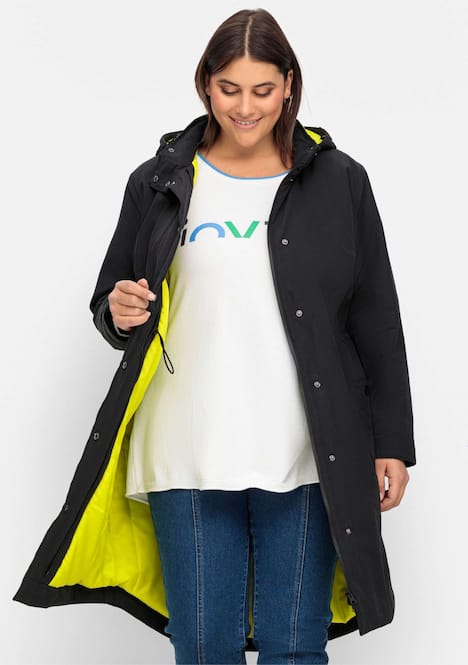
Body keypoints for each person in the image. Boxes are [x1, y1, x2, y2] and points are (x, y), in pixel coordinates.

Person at [13, 8, 416, 665]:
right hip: (186, 449)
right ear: (205, 83)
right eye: (229, 89)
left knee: (295, 647)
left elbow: (376, 317)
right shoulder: (159, 180)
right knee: (204, 647)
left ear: (289, 85)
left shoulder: (340, 181)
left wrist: (392, 443)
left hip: (305, 450)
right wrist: (119, 309)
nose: (245, 108)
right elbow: (112, 298)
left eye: (262, 90)